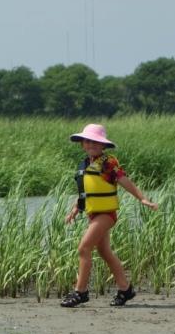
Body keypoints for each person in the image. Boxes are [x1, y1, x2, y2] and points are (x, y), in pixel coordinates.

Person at [60, 124, 158, 308]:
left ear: (103, 145)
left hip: (106, 214)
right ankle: (125, 289)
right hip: (93, 213)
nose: (91, 145)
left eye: (96, 142)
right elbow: (86, 192)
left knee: (84, 248)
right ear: (82, 144)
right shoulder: (86, 165)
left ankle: (80, 292)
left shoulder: (108, 163)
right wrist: (75, 209)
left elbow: (124, 181)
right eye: (88, 141)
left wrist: (143, 199)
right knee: (104, 251)